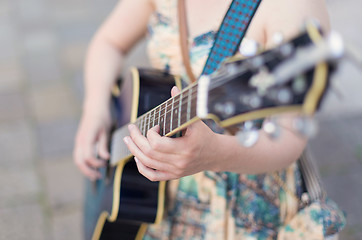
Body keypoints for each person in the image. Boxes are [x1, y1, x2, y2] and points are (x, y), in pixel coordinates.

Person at [73, 0, 341, 239]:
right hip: (159, 195)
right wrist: (95, 108)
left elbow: (290, 139)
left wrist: (214, 154)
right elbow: (109, 42)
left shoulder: (290, 7)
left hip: (244, 203)